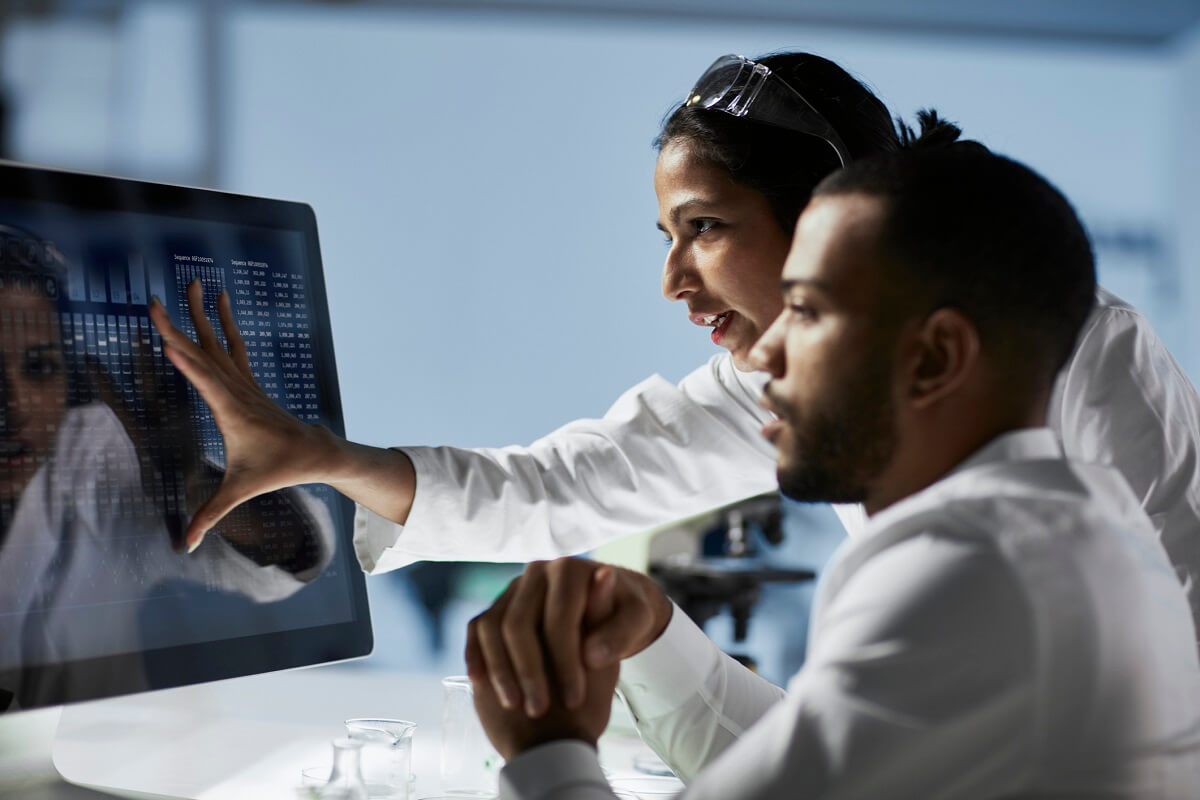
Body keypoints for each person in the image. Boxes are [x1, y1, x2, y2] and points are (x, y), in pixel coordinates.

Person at [148, 51, 1200, 656]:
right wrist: (323, 457)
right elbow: (557, 485)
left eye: (704, 227)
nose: (674, 282)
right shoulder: (773, 382)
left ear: (831, 215)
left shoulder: (1075, 348)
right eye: (666, 237)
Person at [464, 120, 1200, 799]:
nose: (768, 353)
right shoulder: (1081, 533)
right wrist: (657, 640)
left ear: (936, 356)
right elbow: (816, 766)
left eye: (808, 312)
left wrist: (546, 745)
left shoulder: (972, 570)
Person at [0, 225, 334, 711]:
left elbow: (291, 554)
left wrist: (197, 483)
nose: (15, 406)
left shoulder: (92, 458)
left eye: (39, 368)